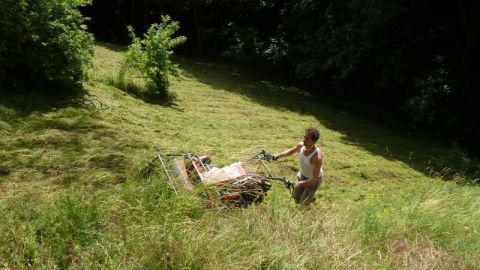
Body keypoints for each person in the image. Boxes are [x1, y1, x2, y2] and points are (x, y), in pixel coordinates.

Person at [273, 127, 323, 205]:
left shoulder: (316, 157)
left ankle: (310, 198)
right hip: (303, 174)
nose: (304, 140)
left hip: (314, 180)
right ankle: (311, 197)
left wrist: (299, 183)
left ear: (314, 141)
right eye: (304, 137)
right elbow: (291, 152)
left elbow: (314, 178)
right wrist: (277, 155)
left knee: (303, 203)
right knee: (296, 197)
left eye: (307, 139)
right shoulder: (301, 145)